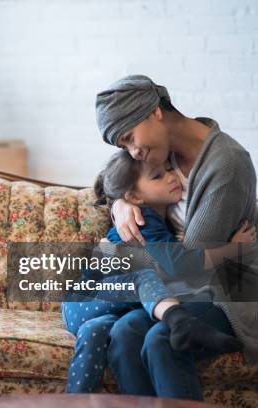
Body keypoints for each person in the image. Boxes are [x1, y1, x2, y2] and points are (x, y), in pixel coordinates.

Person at [94, 74, 258, 400]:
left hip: (229, 288)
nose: (134, 152)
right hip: (186, 286)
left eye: (129, 138)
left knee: (162, 341)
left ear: (155, 111)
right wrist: (122, 205)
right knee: (124, 333)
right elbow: (110, 184)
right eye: (124, 146)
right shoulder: (158, 153)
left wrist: (119, 253)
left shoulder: (226, 163)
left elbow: (188, 262)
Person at [62, 150, 251, 393]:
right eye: (158, 176)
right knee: (143, 280)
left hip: (101, 309)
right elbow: (181, 264)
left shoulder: (161, 221)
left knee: (100, 330)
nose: (172, 177)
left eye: (169, 169)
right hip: (83, 300)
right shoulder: (143, 221)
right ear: (134, 196)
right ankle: (180, 321)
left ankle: (77, 398)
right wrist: (233, 249)